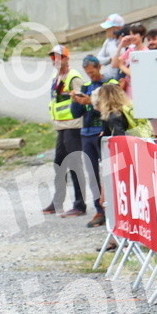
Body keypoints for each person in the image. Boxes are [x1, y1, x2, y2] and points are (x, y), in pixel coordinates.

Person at [43, 44, 87, 218]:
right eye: (53, 57)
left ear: (67, 58)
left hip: (73, 126)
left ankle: (80, 204)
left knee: (75, 164)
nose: (56, 60)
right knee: (59, 163)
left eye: (59, 57)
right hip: (61, 126)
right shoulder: (56, 78)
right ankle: (57, 201)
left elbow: (82, 101)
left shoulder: (73, 77)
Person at [72, 54, 106, 228]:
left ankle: (113, 208)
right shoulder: (86, 87)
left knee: (109, 172)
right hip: (86, 134)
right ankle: (99, 210)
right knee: (92, 174)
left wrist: (91, 101)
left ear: (99, 67)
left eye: (92, 72)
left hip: (103, 133)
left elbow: (110, 105)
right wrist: (75, 101)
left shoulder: (108, 84)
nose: (90, 76)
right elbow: (75, 114)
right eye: (87, 73)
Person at [96, 14, 125, 81]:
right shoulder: (108, 42)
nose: (106, 31)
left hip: (121, 76)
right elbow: (99, 59)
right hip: (108, 75)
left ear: (118, 28)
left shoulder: (126, 40)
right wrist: (109, 59)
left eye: (109, 29)